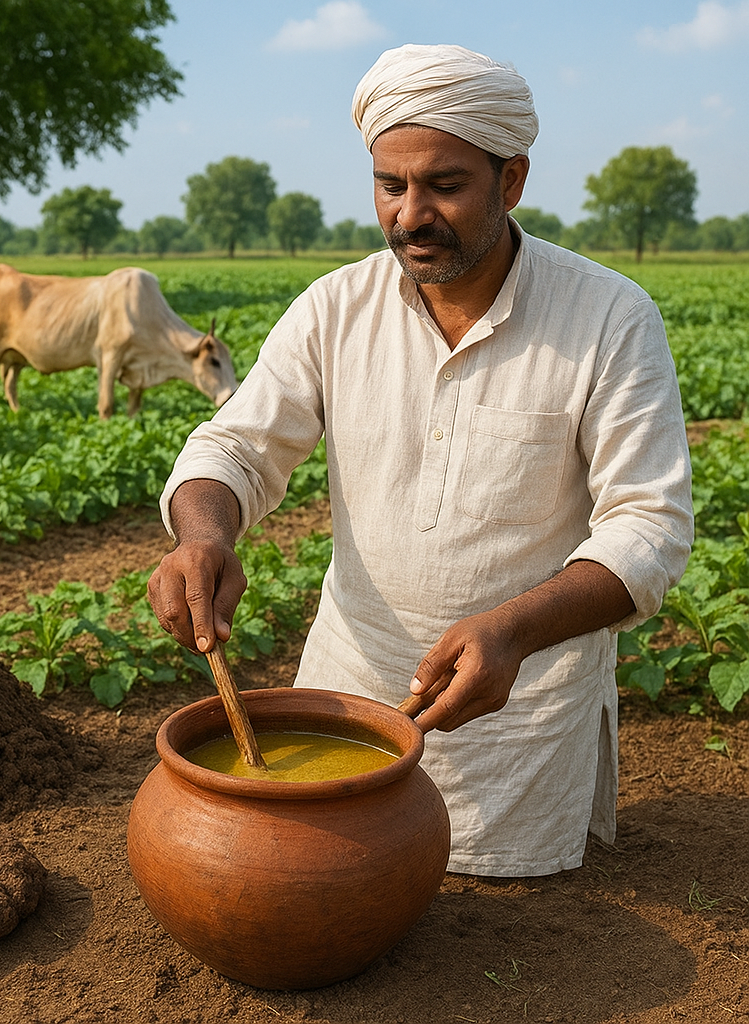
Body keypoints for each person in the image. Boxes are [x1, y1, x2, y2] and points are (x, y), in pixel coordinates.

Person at [146, 43, 694, 877]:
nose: (410, 214)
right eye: (390, 186)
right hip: (348, 692)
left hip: (518, 713)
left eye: (444, 185)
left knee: (503, 933)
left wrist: (513, 630)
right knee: (324, 879)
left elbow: (648, 528)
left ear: (510, 182)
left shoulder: (610, 317)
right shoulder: (336, 307)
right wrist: (204, 537)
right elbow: (234, 445)